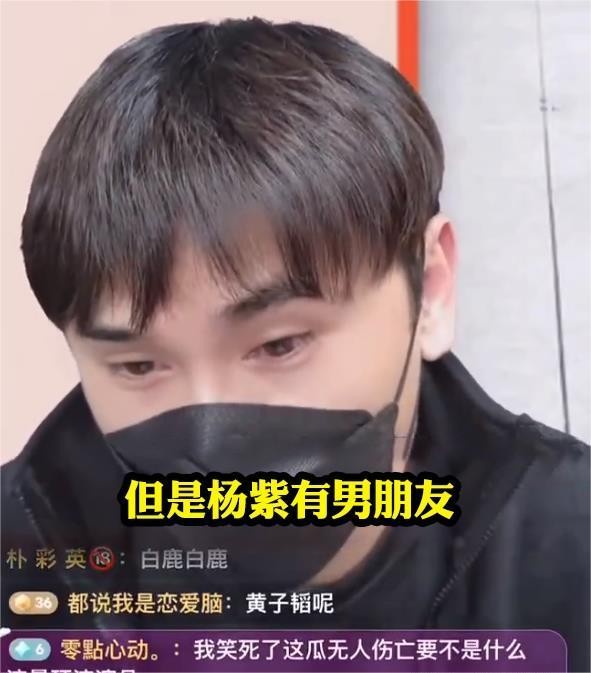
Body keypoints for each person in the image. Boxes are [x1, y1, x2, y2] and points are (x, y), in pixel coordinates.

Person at [2, 18, 589, 672]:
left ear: (429, 288)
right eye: (139, 365)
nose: (212, 451)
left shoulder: (570, 548)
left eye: (280, 345)